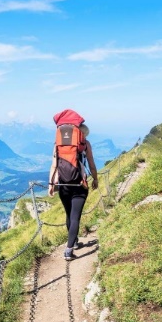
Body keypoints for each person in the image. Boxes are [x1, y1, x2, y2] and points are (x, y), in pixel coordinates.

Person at [47, 109, 99, 260]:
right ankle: (68, 250)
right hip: (79, 186)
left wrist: (51, 184)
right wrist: (95, 179)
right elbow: (92, 164)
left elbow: (53, 165)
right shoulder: (85, 144)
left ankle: (74, 241)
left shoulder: (58, 144)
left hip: (63, 185)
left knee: (69, 215)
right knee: (76, 216)